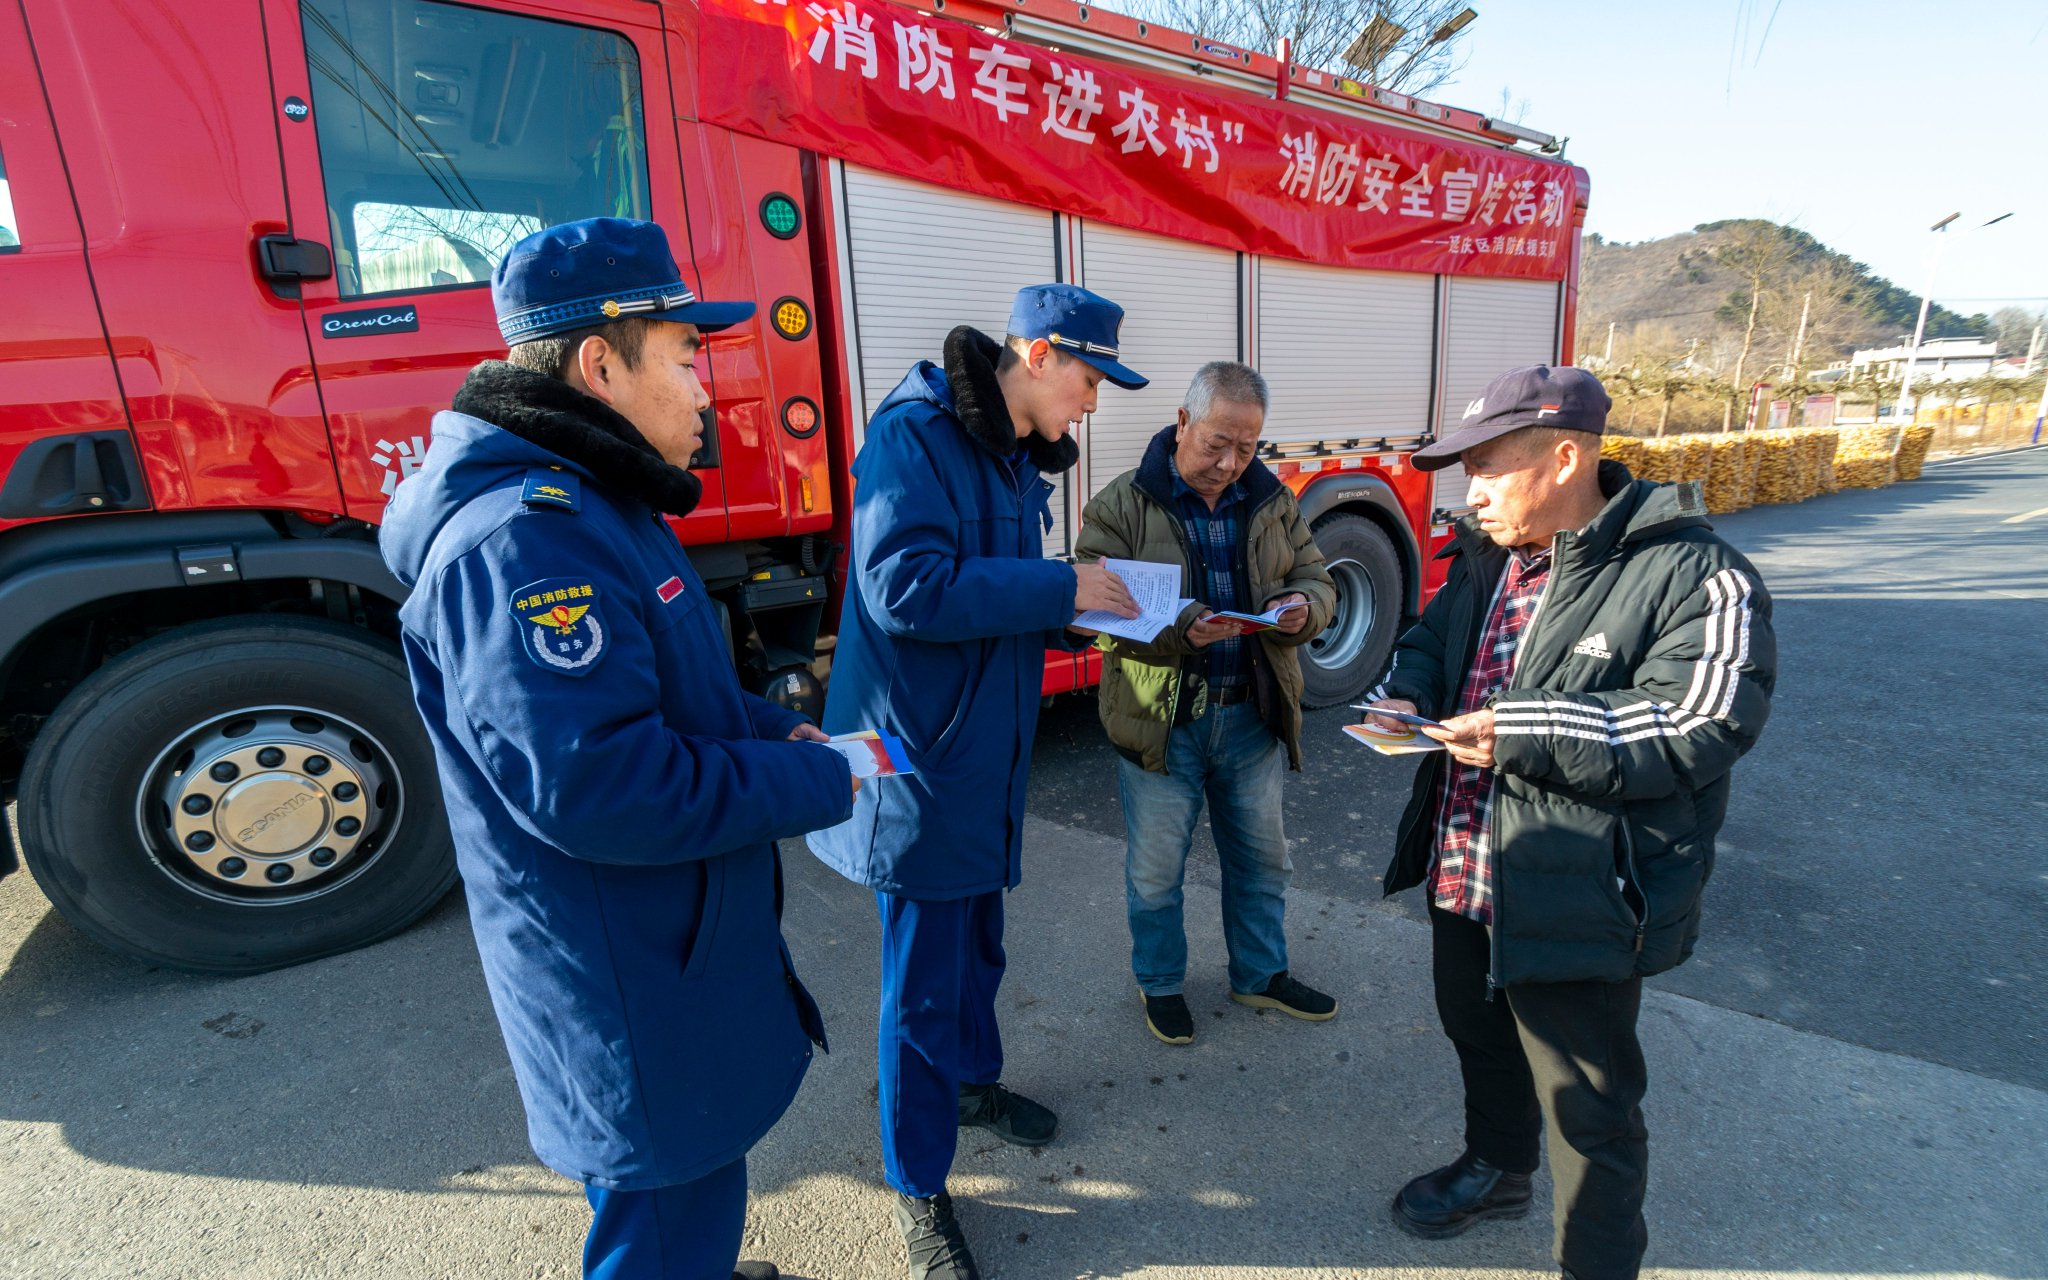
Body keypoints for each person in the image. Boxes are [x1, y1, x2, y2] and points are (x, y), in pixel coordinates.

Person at [380, 218, 858, 1280]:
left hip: (661, 944)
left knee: (683, 1191)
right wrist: (819, 776)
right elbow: (603, 783)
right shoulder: (529, 540)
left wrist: (775, 724)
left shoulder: (600, 502)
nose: (702, 391)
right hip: (629, 972)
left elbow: (670, 684)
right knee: (661, 1206)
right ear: (598, 361)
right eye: (684, 357)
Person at [1361, 365, 1775, 1280]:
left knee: (1590, 1104)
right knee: (1474, 1029)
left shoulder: (1694, 572)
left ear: (1563, 457)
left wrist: (1523, 728)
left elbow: (1703, 720)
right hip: (1466, 853)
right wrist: (1405, 694)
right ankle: (1497, 1169)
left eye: (1488, 470)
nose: (1471, 493)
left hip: (1581, 884)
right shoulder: (1486, 556)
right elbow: (1436, 641)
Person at [810, 283, 1145, 1280]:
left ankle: (970, 1085)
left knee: (978, 948)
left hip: (978, 758)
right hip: (920, 763)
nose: (1092, 399)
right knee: (919, 987)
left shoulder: (1007, 452)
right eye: (1088, 376)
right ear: (1036, 353)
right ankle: (917, 1187)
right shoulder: (915, 436)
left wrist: (1097, 610)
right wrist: (1059, 585)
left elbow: (988, 595)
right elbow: (904, 587)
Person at [1072, 361, 1339, 1045]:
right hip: (1162, 718)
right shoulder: (1119, 505)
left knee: (1262, 861)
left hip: (1250, 714)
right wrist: (1180, 623)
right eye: (1217, 441)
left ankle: (1260, 975)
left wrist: (1302, 605)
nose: (1228, 462)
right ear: (1183, 421)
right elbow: (1090, 608)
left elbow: (1315, 575)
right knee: (1157, 871)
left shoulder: (1272, 500)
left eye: (1246, 447)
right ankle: (1160, 983)